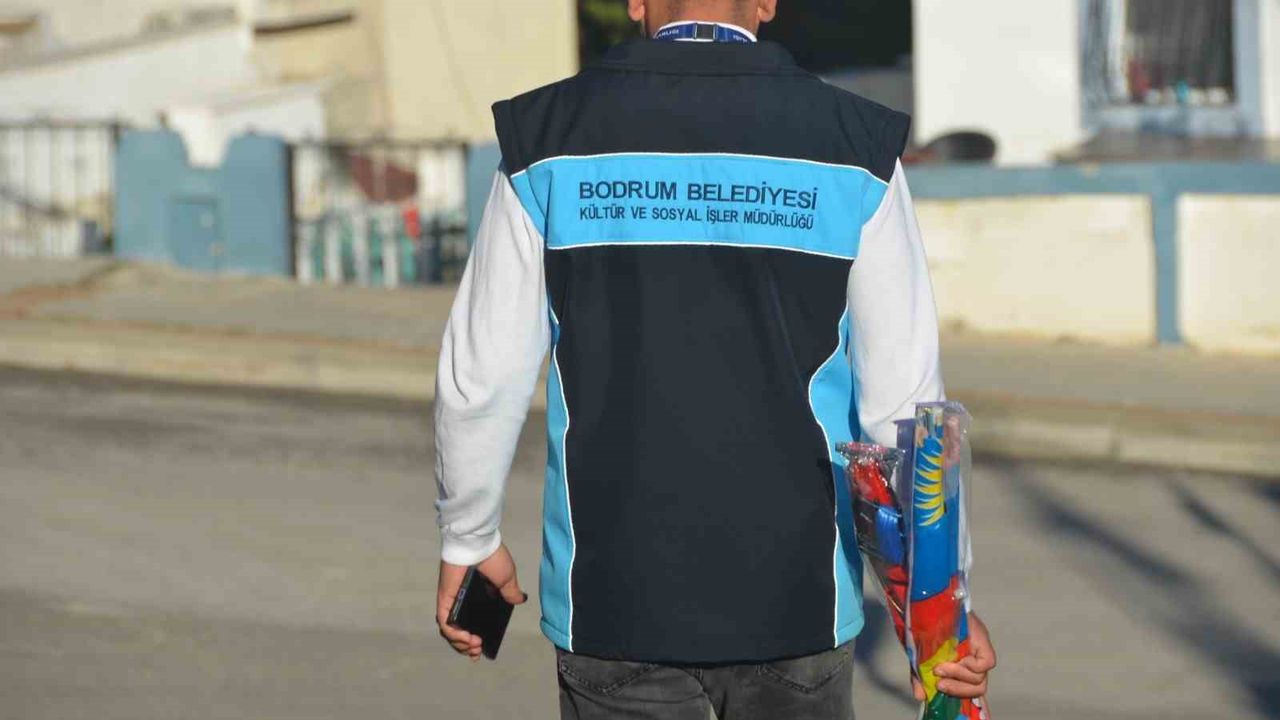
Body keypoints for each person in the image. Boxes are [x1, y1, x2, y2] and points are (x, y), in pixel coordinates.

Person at [433, 1, 997, 717]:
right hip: (797, 607)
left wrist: (469, 536)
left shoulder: (545, 139)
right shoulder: (856, 145)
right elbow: (905, 412)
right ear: (765, 2)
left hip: (610, 604)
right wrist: (939, 611)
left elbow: (480, 378)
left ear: (636, 1)